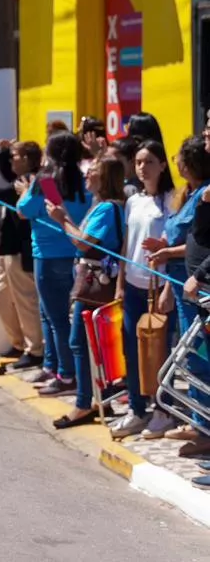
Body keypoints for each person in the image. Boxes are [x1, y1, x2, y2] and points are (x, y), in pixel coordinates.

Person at [45, 155, 127, 428]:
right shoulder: (107, 205)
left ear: (104, 178)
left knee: (79, 342)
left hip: (94, 283)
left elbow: (82, 243)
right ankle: (99, 400)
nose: (87, 175)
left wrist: (60, 219)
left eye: (92, 171)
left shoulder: (105, 208)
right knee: (93, 345)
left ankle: (83, 404)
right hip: (99, 279)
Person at [148, 135, 210, 455]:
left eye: (180, 158)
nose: (176, 163)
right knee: (191, 355)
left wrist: (167, 251)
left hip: (195, 285)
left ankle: (205, 428)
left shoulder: (204, 195)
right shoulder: (188, 194)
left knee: (198, 357)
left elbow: (198, 243)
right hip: (180, 283)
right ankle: (199, 419)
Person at [17, 132, 92, 395]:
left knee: (56, 318)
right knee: (56, 316)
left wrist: (26, 190)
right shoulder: (83, 180)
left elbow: (23, 210)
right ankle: (53, 365)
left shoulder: (47, 182)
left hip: (47, 257)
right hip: (74, 255)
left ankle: (65, 374)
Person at [111, 139, 176, 440]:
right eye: (138, 162)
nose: (142, 167)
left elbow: (175, 248)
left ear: (163, 164)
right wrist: (120, 283)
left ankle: (163, 410)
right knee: (132, 350)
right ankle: (137, 409)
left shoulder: (173, 200)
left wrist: (169, 289)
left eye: (149, 161)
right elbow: (127, 244)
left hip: (159, 286)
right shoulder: (133, 201)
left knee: (160, 352)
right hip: (134, 285)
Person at [0, 139, 43, 367]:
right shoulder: (20, 178)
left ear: (27, 160)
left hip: (21, 250)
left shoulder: (30, 182)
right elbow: (7, 173)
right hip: (9, 250)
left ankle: (35, 350)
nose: (10, 159)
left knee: (26, 301)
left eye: (14, 155)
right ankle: (20, 344)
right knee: (1, 297)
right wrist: (2, 151)